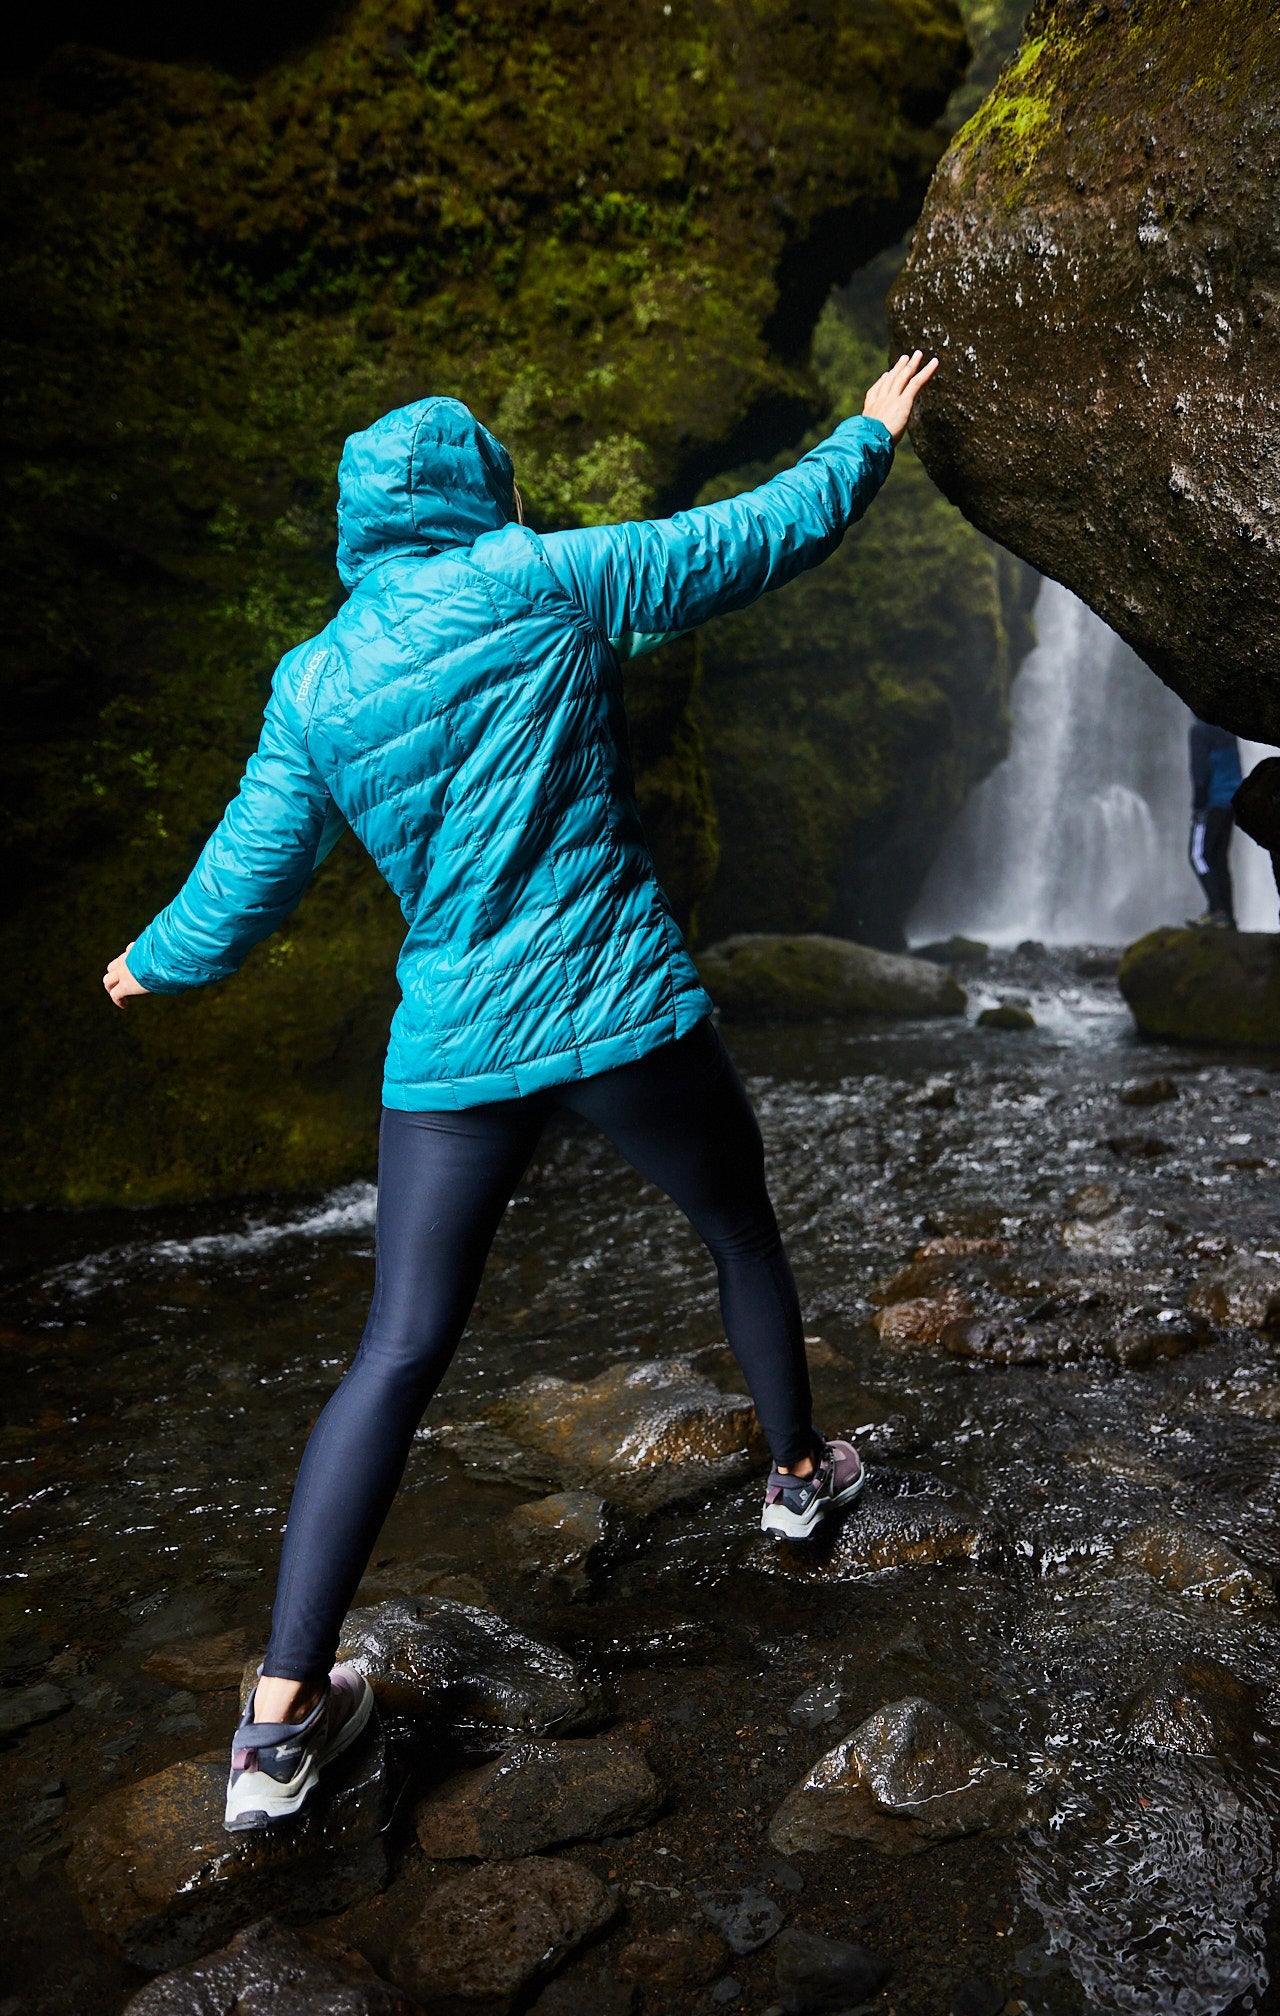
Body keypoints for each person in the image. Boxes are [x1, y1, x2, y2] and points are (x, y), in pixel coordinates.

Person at [102, 349, 939, 1832]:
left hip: (452, 1055)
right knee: (738, 1231)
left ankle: (279, 1724)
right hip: (617, 1008)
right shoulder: (543, 577)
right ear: (479, 489)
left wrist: (151, 963)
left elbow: (247, 873)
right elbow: (747, 540)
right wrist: (863, 439)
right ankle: (799, 1477)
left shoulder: (315, 680)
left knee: (396, 1349)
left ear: (360, 523)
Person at [1187, 717, 1243, 929]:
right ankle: (1227, 915)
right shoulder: (1229, 729)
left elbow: (1200, 771)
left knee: (1198, 856)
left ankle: (1217, 911)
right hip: (1231, 801)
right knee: (1219, 859)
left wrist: (1198, 804)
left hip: (1212, 802)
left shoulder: (1200, 732)